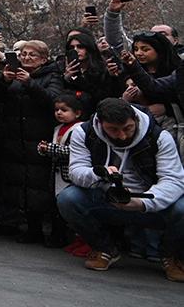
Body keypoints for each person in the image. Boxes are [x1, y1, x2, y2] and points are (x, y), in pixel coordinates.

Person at [57, 98, 184, 280]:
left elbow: (174, 180)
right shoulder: (84, 132)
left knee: (182, 208)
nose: (122, 136)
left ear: (136, 120)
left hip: (148, 199)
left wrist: (142, 203)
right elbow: (76, 172)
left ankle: (170, 256)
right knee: (68, 199)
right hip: (107, 197)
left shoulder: (159, 137)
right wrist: (99, 174)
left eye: (127, 128)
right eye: (113, 130)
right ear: (101, 124)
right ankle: (104, 249)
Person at [0, 39, 63, 244]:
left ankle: (49, 230)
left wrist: (30, 83)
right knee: (21, 183)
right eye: (23, 55)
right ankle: (30, 228)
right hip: (15, 138)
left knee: (40, 185)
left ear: (44, 58)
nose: (26, 58)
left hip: (40, 135)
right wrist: (3, 80)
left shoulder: (52, 75)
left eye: (32, 55)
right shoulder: (12, 74)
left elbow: (53, 100)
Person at [37, 93, 85, 248]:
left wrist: (50, 148)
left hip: (70, 175)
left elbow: (74, 151)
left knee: (69, 208)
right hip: (56, 174)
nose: (59, 113)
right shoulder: (58, 128)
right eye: (57, 110)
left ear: (77, 113)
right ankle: (58, 236)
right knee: (56, 207)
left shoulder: (79, 129)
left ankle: (72, 238)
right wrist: (44, 149)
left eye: (64, 110)